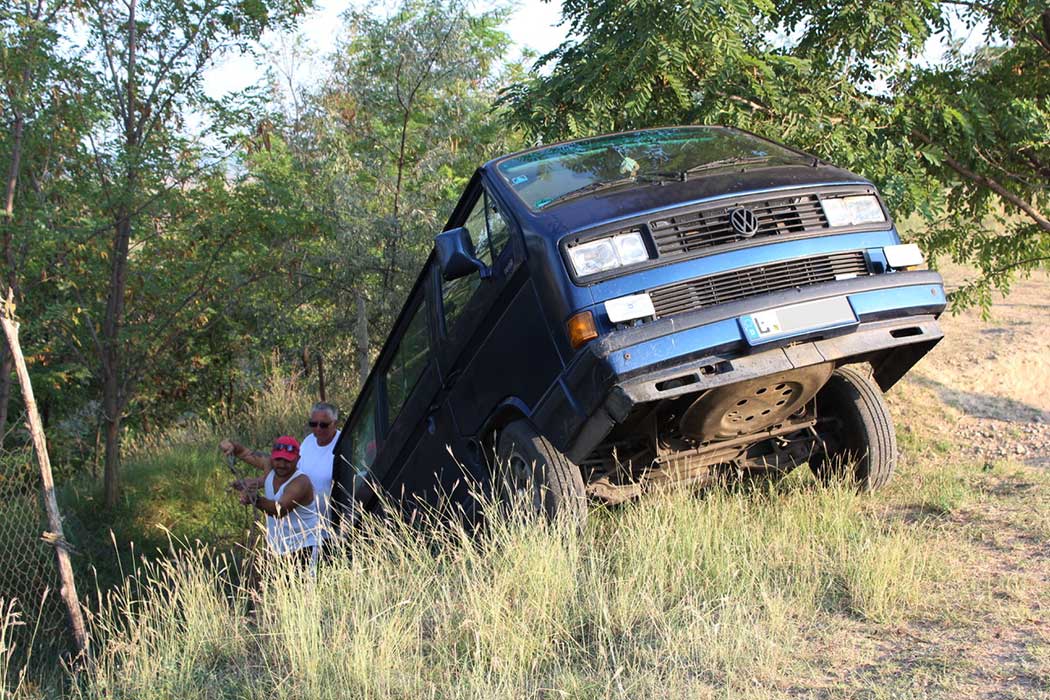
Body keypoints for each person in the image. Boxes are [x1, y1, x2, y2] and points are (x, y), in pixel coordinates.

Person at [221, 402, 342, 546]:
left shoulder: (343, 444)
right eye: (313, 424)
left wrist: (255, 499)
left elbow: (280, 509)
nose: (317, 429)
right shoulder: (309, 441)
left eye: (323, 425)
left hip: (329, 529)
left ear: (335, 423)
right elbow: (287, 469)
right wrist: (258, 481)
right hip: (298, 529)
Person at [232, 435, 319, 567]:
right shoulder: (269, 466)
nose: (282, 465)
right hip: (276, 548)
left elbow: (279, 509)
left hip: (302, 548)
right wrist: (231, 446)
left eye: (287, 460)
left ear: (298, 459)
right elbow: (244, 452)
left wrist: (254, 499)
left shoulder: (301, 482)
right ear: (272, 457)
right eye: (278, 459)